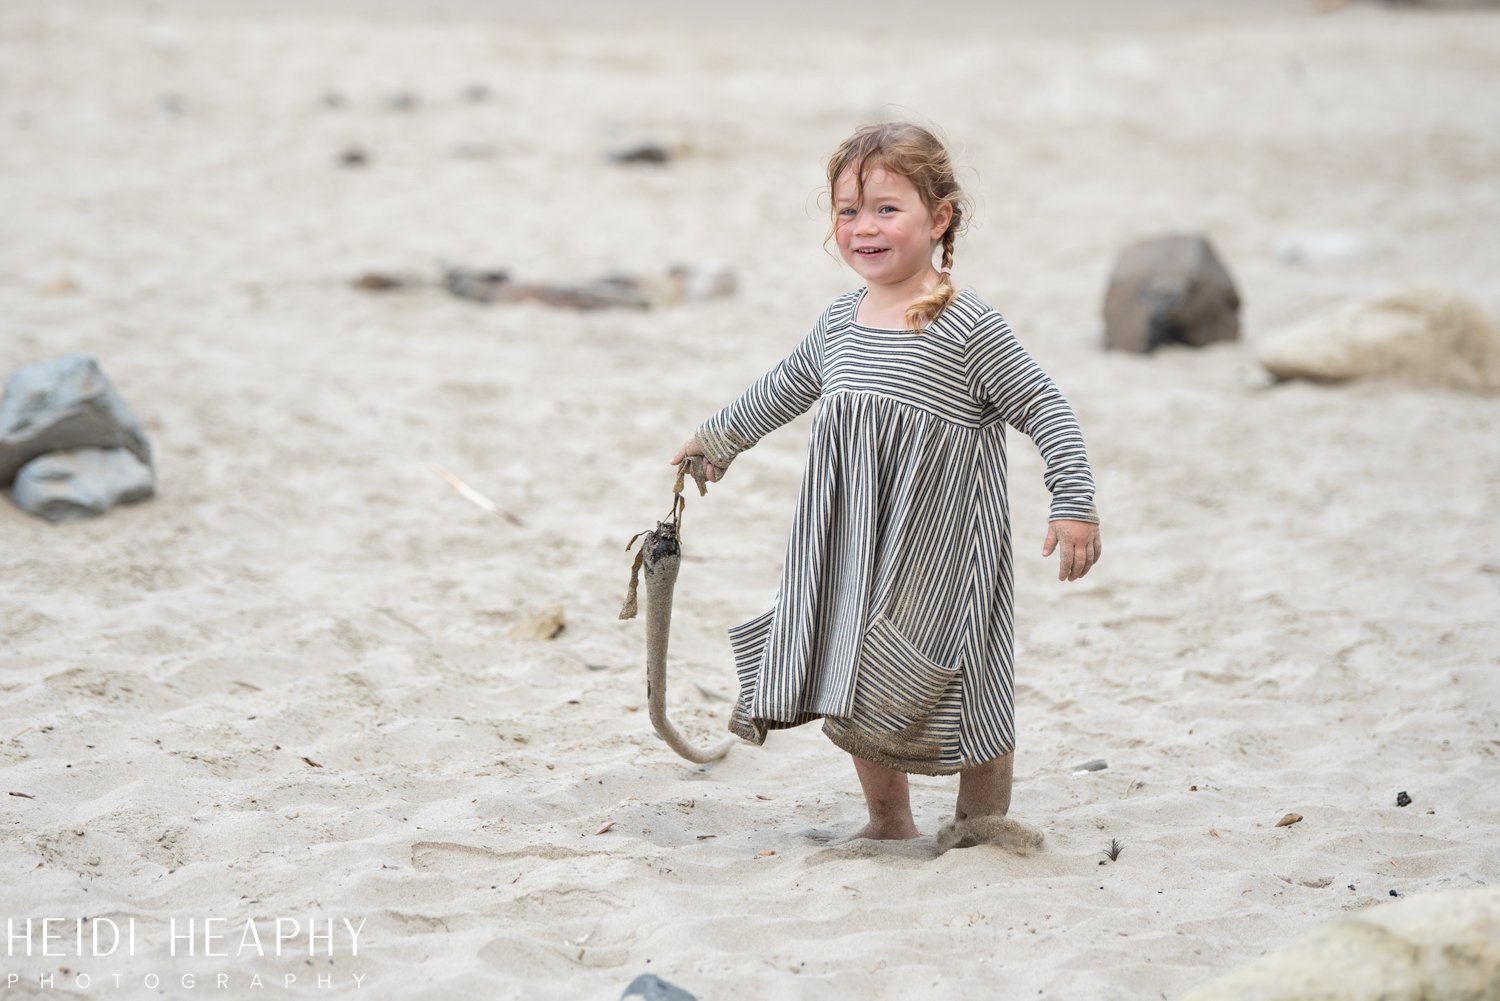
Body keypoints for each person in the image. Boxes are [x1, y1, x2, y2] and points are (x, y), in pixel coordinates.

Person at [669, 121, 1101, 852]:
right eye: (847, 210)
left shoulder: (968, 327)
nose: (864, 227)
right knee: (852, 667)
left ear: (939, 218)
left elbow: (1044, 406)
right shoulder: (839, 321)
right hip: (848, 540)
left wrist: (1073, 502)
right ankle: (888, 819)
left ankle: (980, 820)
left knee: (965, 672)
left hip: (940, 552)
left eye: (886, 208)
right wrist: (720, 438)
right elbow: (784, 386)